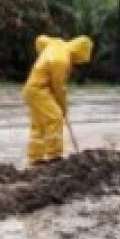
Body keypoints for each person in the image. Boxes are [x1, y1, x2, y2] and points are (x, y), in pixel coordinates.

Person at [23, 34, 94, 166]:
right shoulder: (62, 60)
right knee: (55, 117)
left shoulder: (57, 44)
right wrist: (63, 108)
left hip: (31, 89)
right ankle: (54, 155)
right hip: (39, 90)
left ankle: (35, 158)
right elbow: (59, 87)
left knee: (38, 123)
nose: (76, 62)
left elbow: (40, 40)